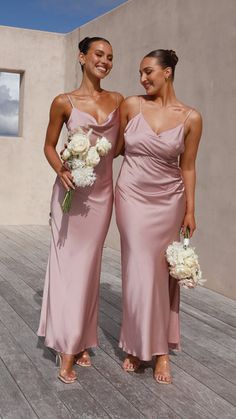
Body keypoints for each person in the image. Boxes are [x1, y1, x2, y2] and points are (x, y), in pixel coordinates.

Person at [38, 36, 123, 383]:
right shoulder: (63, 102)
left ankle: (83, 338)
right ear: (82, 57)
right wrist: (63, 168)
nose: (105, 60)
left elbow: (119, 147)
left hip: (101, 198)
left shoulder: (119, 101)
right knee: (66, 269)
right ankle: (68, 346)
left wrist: (94, 158)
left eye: (110, 56)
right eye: (99, 54)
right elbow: (48, 145)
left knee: (89, 269)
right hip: (70, 198)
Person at [115, 49, 202, 384]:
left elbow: (189, 167)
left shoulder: (191, 117)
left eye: (148, 72)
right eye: (140, 73)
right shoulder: (131, 106)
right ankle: (137, 346)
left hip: (169, 201)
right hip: (132, 195)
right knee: (139, 270)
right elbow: (115, 147)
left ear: (167, 72)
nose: (142, 79)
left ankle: (162, 351)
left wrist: (191, 209)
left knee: (162, 275)